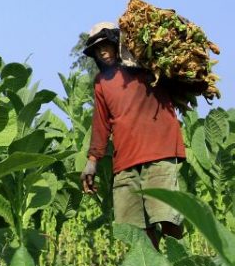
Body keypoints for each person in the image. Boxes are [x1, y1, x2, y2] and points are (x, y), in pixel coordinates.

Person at [79, 22, 187, 249]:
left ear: (117, 43)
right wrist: (92, 161)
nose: (103, 52)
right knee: (135, 230)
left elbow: (176, 68)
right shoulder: (101, 83)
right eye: (98, 50)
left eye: (106, 45)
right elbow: (101, 123)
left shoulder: (146, 64)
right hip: (125, 160)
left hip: (159, 151)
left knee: (166, 217)